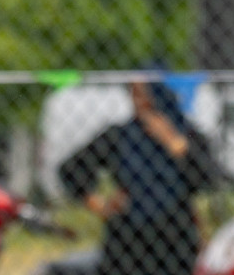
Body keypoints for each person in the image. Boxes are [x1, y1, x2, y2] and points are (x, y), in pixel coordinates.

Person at [58, 78, 215, 275]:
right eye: (133, 94)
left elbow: (208, 180)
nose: (138, 103)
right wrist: (100, 204)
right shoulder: (121, 136)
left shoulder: (188, 134)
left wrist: (177, 146)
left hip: (175, 238)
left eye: (143, 95)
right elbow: (71, 170)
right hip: (128, 239)